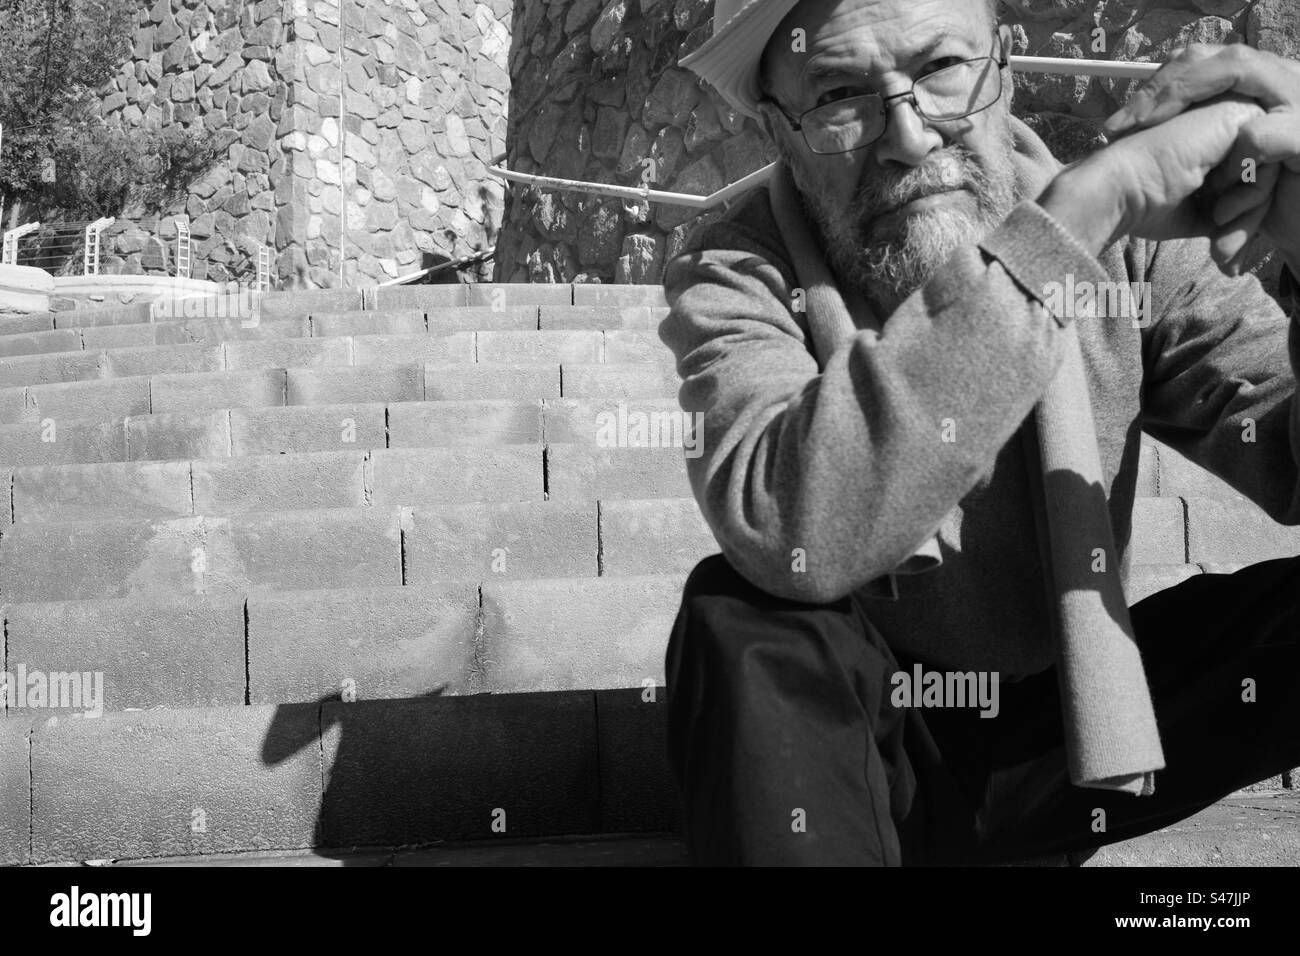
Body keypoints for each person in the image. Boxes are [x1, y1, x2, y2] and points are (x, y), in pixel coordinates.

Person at [659, 0, 1300, 865]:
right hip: (865, 745)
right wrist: (1061, 234)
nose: (911, 138)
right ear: (780, 133)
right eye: (841, 95)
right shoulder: (738, 267)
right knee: (738, 614)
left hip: (1071, 729)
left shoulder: (1135, 244)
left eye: (939, 69)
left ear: (1006, 68)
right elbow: (788, 524)